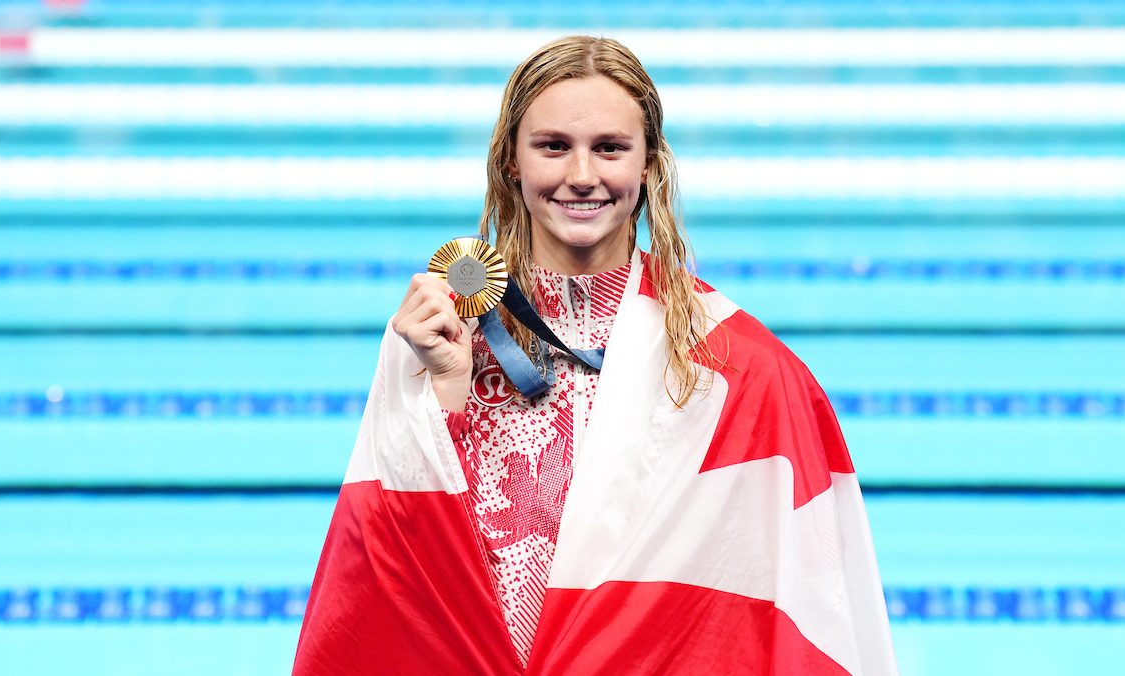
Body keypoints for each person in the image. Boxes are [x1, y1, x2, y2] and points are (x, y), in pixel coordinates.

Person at [293, 36, 896, 675]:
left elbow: (798, 597)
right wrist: (444, 388)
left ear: (649, 167)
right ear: (510, 165)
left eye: (610, 148)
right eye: (553, 147)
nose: (582, 176)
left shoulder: (734, 365)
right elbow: (389, 576)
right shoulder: (436, 330)